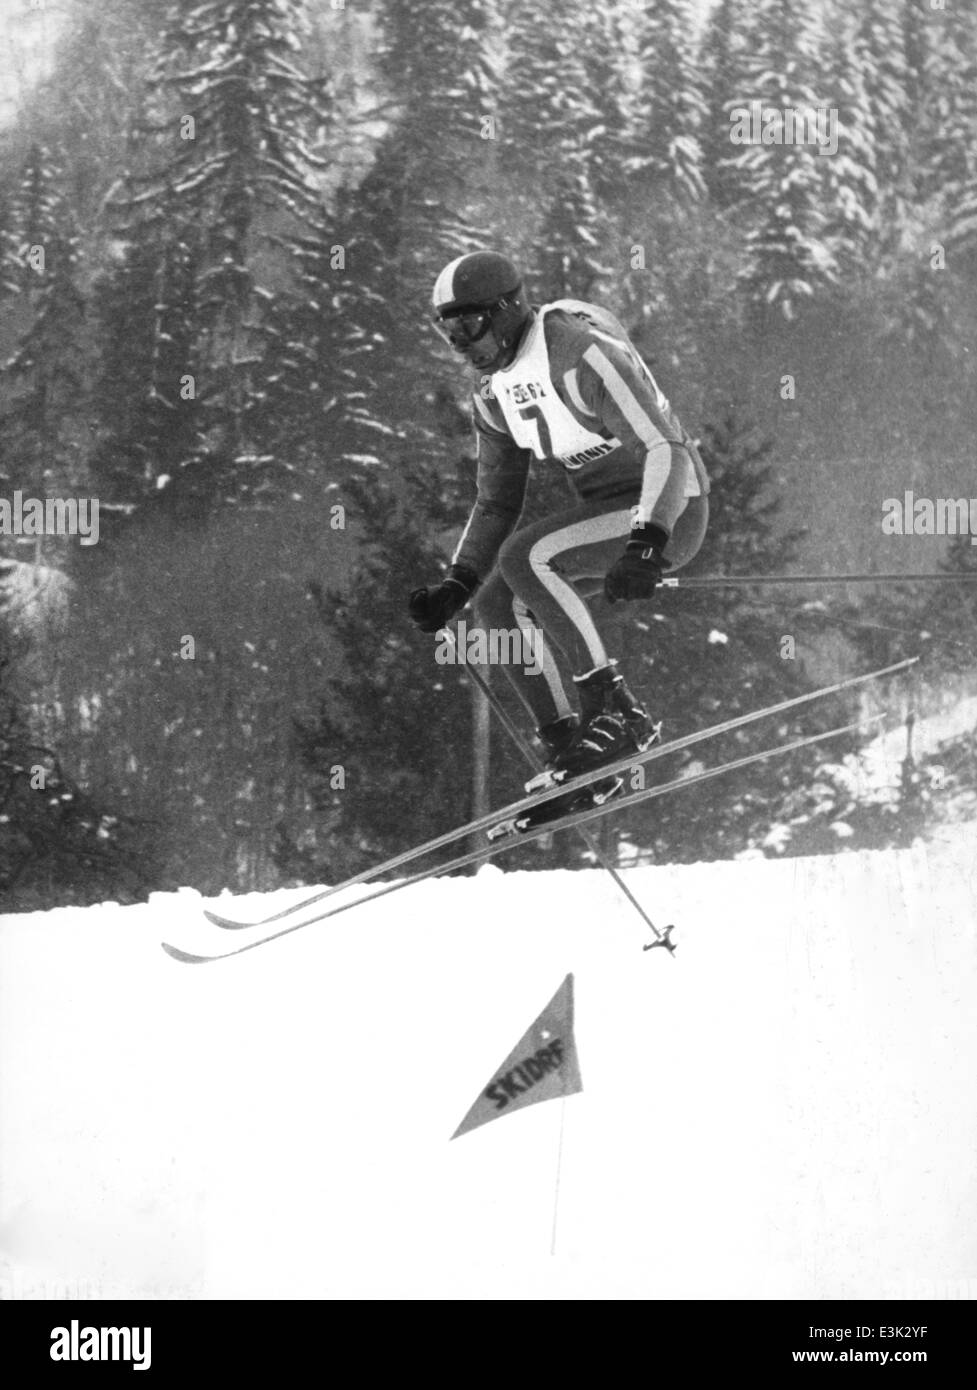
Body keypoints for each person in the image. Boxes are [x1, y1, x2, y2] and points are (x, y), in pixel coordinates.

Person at [409, 249, 709, 797]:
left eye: (470, 327)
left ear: (505, 311)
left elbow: (665, 447)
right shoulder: (492, 394)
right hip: (611, 513)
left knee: (528, 556)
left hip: (671, 505)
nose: (461, 345)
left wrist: (647, 540)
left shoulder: (576, 355)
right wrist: (458, 581)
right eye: (448, 333)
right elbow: (497, 502)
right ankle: (567, 742)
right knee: (496, 602)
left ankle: (613, 710)